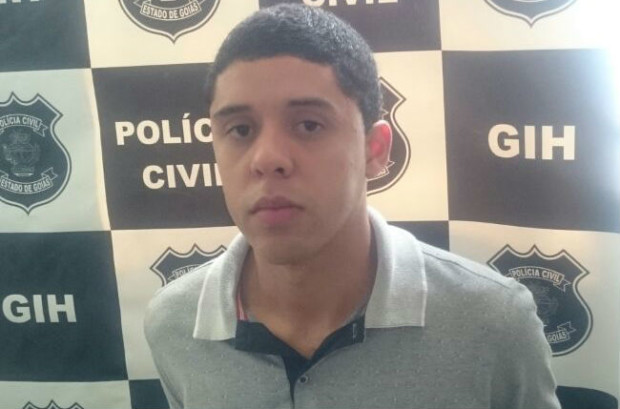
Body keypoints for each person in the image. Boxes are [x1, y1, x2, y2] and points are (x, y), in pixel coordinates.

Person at [144, 4, 560, 408]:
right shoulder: (173, 325)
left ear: (375, 150)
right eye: (239, 130)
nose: (267, 158)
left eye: (309, 124)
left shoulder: (492, 323)